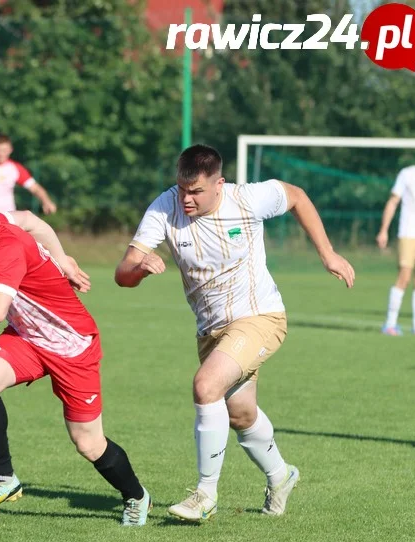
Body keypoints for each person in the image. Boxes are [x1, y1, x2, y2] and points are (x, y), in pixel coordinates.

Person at [115, 144, 355, 521]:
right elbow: (122, 275)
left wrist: (327, 253)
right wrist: (141, 267)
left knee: (206, 385)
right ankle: (281, 475)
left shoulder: (247, 199)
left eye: (196, 191)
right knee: (240, 414)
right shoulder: (164, 207)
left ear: (219, 185)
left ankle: (204, 495)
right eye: (182, 189)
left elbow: (297, 197)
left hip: (260, 317)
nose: (186, 199)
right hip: (211, 330)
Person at [0, 179, 151, 526]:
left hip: (71, 344)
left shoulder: (5, 248)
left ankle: (136, 497)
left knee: (88, 442)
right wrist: (62, 257)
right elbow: (32, 220)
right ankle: (3, 478)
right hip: (27, 337)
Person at [0, 134, 57, 301]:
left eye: (3, 150)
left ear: (10, 150)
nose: (0, 153)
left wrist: (47, 201)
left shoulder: (14, 168)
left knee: (10, 255)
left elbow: (35, 187)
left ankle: (14, 294)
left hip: (8, 219)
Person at [376, 139, 415, 336]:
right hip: (409, 233)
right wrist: (384, 229)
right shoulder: (407, 174)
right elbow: (393, 202)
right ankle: (390, 324)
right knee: (404, 276)